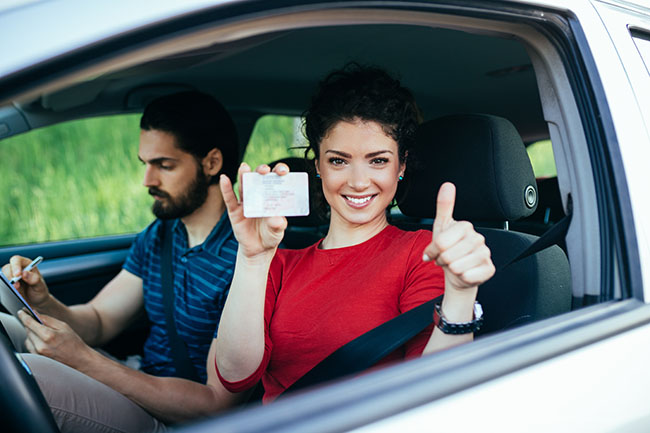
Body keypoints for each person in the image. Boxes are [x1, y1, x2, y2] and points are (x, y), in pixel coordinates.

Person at [214, 65, 496, 403]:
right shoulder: (279, 263)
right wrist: (252, 258)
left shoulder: (424, 253)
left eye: (377, 161)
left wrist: (462, 295)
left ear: (401, 165)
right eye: (338, 161)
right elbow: (235, 375)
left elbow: (434, 389)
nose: (358, 181)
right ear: (317, 165)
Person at [1, 91, 242, 432]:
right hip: (140, 380)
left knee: (31, 378)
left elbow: (212, 407)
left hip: (182, 420)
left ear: (211, 163)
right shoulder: (160, 235)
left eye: (165, 165)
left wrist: (85, 360)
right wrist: (42, 300)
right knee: (8, 329)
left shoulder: (245, 257)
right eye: (145, 164)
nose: (148, 181)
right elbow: (99, 321)